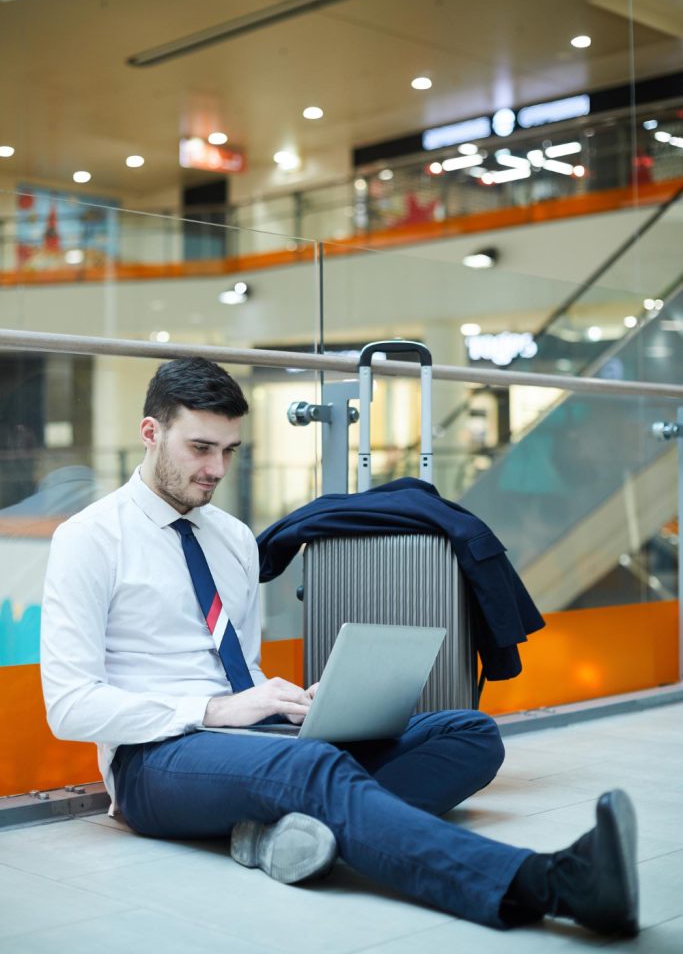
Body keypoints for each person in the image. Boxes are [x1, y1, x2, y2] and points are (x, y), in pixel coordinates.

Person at [41, 357, 639, 936]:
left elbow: (235, 667)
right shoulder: (88, 540)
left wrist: (294, 703)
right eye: (201, 448)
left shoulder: (233, 540)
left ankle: (287, 835)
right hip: (154, 760)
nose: (217, 469)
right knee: (309, 766)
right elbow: (68, 705)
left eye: (230, 451)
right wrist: (213, 713)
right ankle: (552, 882)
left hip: (246, 740)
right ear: (151, 432)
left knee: (469, 734)